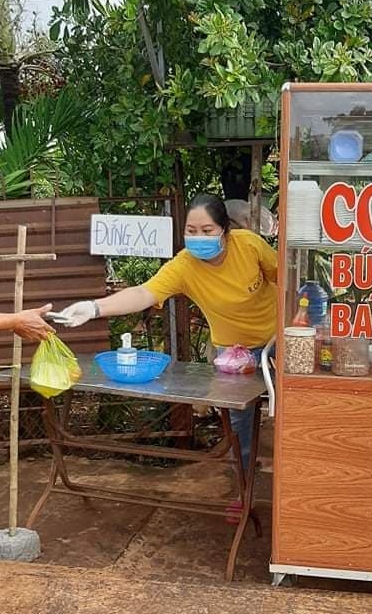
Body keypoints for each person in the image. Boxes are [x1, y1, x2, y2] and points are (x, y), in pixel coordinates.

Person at [59, 193, 278, 481]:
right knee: (239, 424)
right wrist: (93, 308)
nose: (198, 237)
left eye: (207, 231)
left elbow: (284, 277)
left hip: (277, 340)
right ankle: (245, 488)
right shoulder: (184, 265)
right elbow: (143, 293)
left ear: (224, 230)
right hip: (233, 353)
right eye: (191, 231)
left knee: (293, 413)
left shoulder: (249, 246)